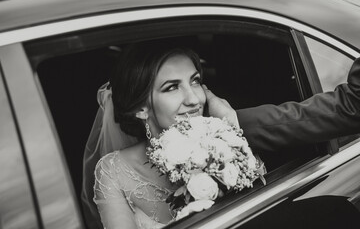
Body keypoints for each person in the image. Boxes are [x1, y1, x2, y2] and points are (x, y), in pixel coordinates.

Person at [81, 40, 360, 229]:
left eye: (195, 81)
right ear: (141, 108)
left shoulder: (222, 139)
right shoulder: (113, 170)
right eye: (171, 87)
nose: (194, 98)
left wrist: (230, 131)